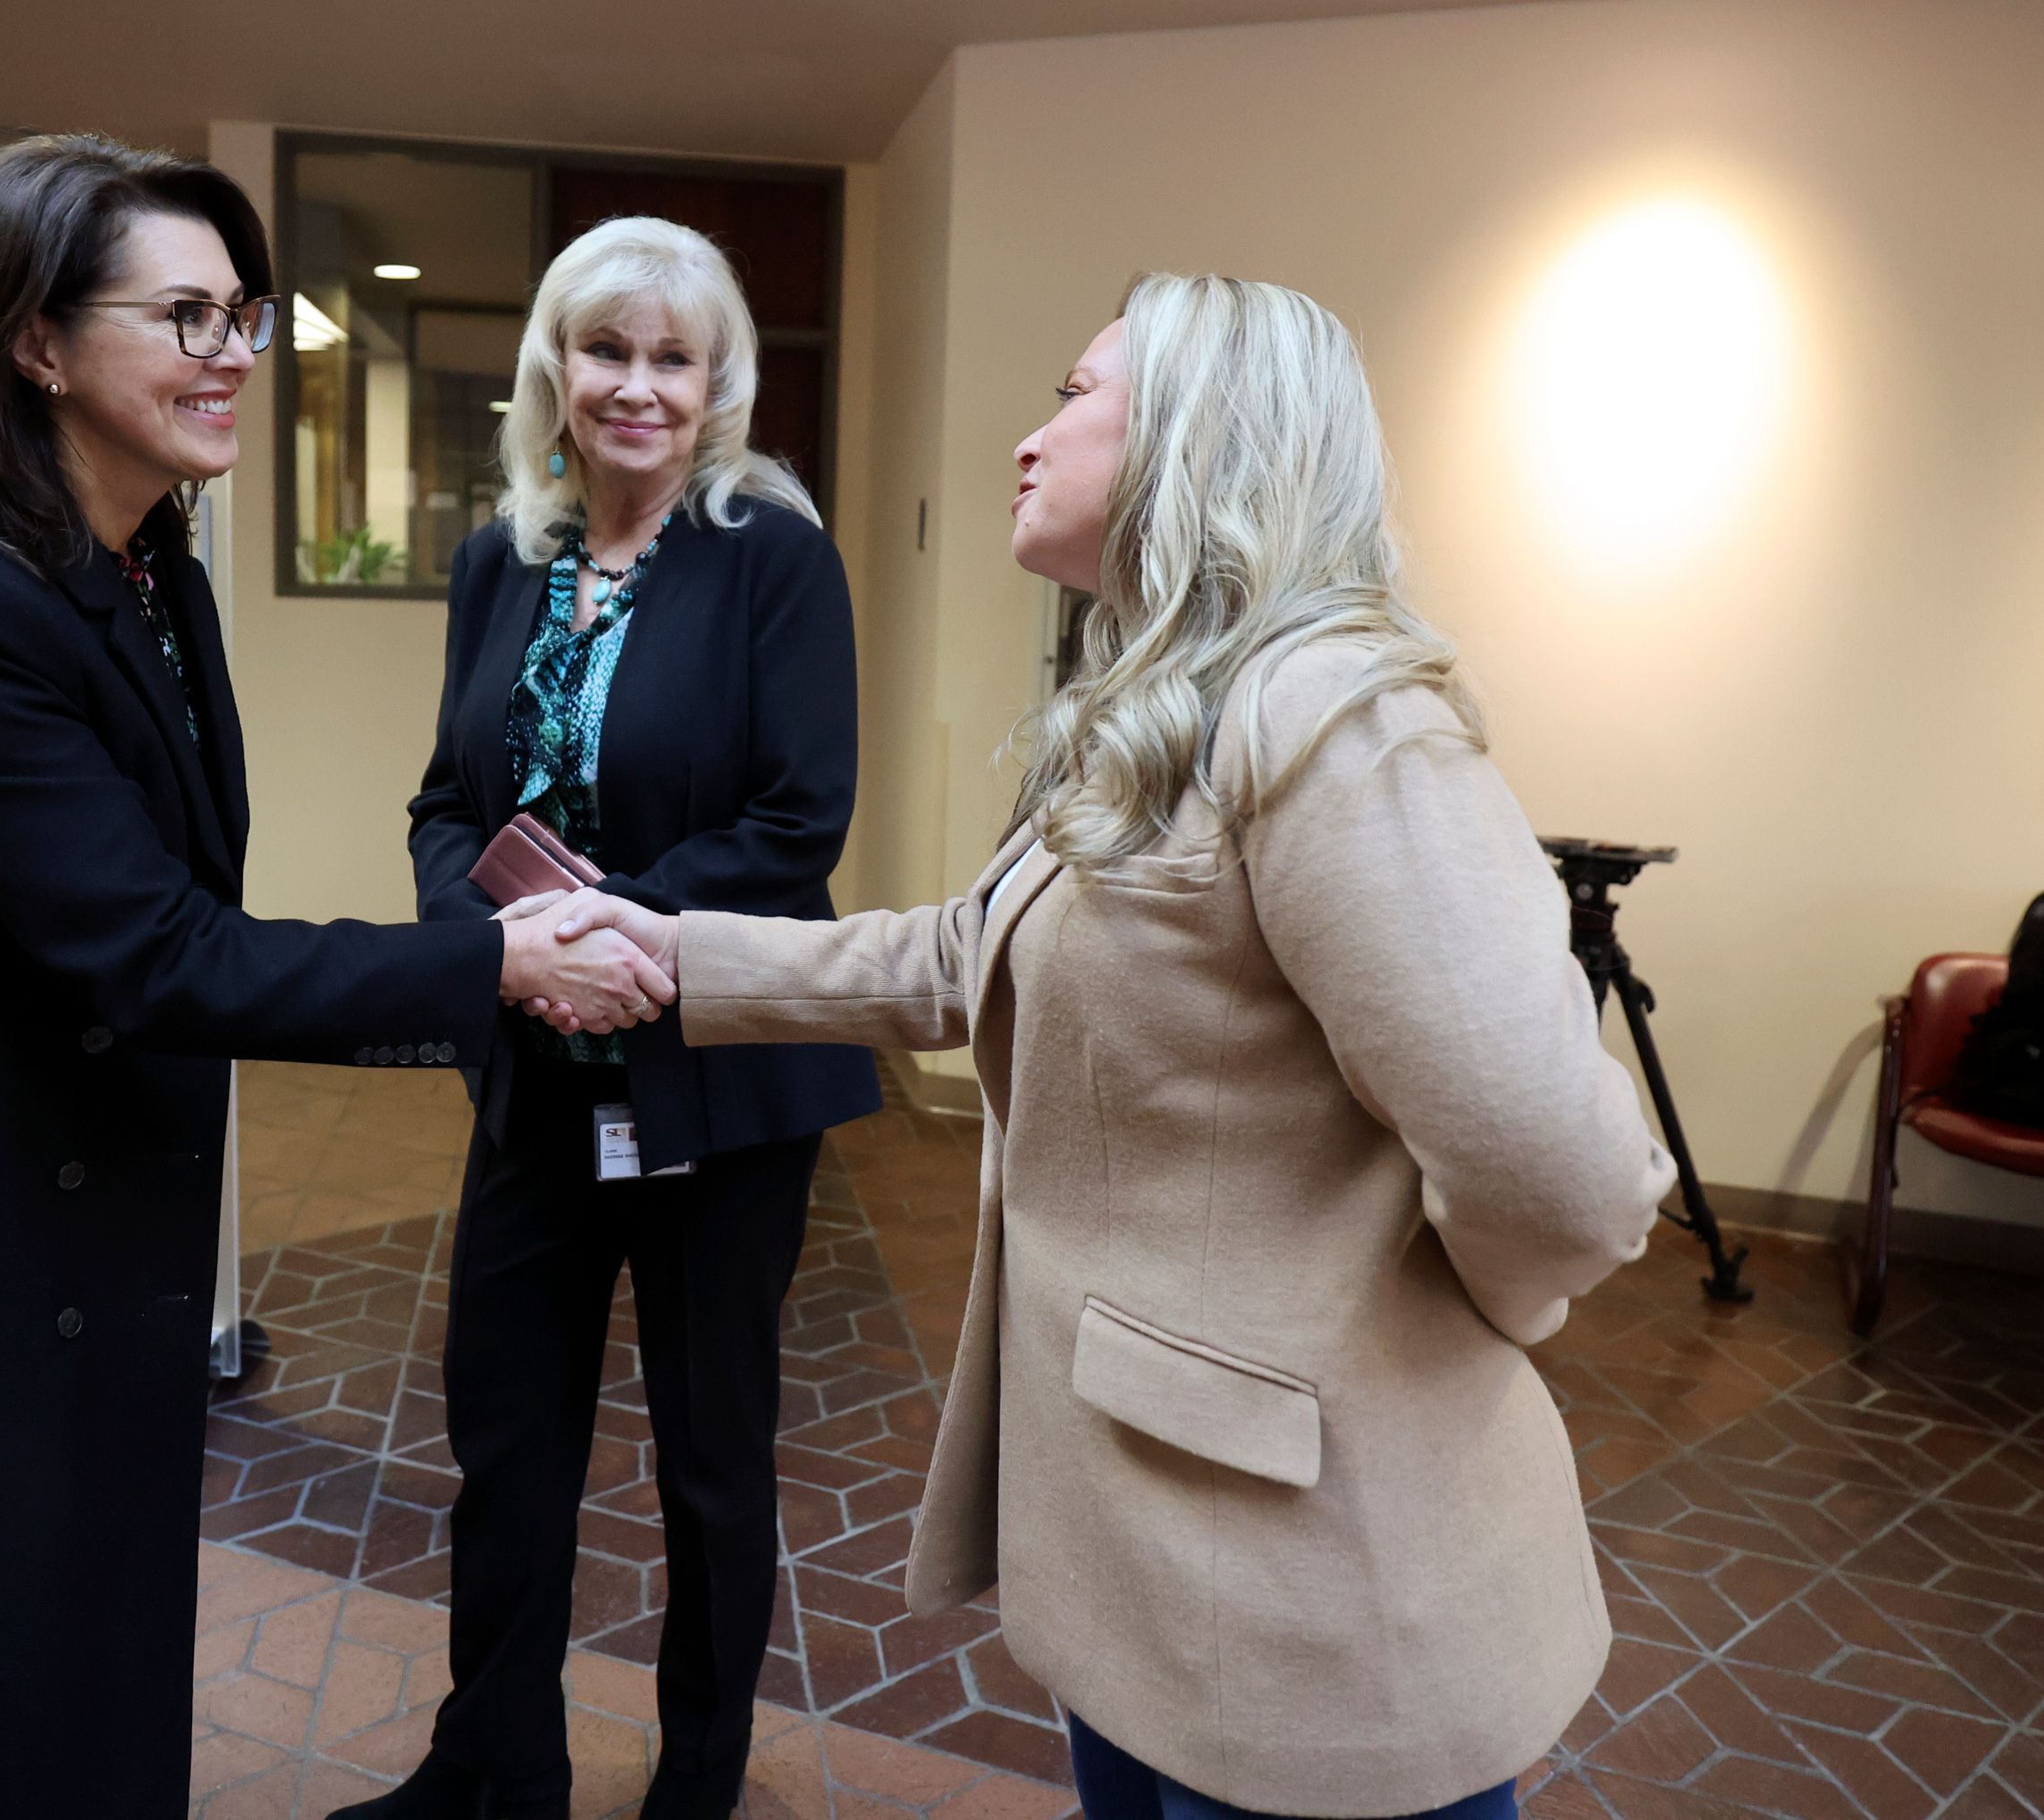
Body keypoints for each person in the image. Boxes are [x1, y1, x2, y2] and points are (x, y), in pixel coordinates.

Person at [0, 135, 670, 1820]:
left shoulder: (150, 561)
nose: (236, 350)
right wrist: (496, 960)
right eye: (188, 314)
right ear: (35, 339)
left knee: (40, 1619)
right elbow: (159, 951)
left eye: (245, 312)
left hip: (30, 1148)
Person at [549, 273, 1678, 1820]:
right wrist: (671, 953)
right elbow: (968, 952)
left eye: (1075, 396)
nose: (1028, 439)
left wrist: (1467, 1306)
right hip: (1156, 1554)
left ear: (1199, 436)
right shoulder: (1154, 712)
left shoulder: (1334, 720)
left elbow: (1561, 1166)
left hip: (1307, 1595)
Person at [358, 217, 879, 1820]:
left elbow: (801, 821)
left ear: (717, 379)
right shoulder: (494, 558)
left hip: (718, 1084)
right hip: (533, 1066)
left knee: (713, 1463)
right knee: (507, 1440)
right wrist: (501, 933)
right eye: (606, 350)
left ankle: (697, 1786)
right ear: (555, 368)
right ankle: (492, 1765)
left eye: (671, 356)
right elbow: (448, 803)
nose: (636, 386)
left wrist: (606, 928)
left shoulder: (773, 556)